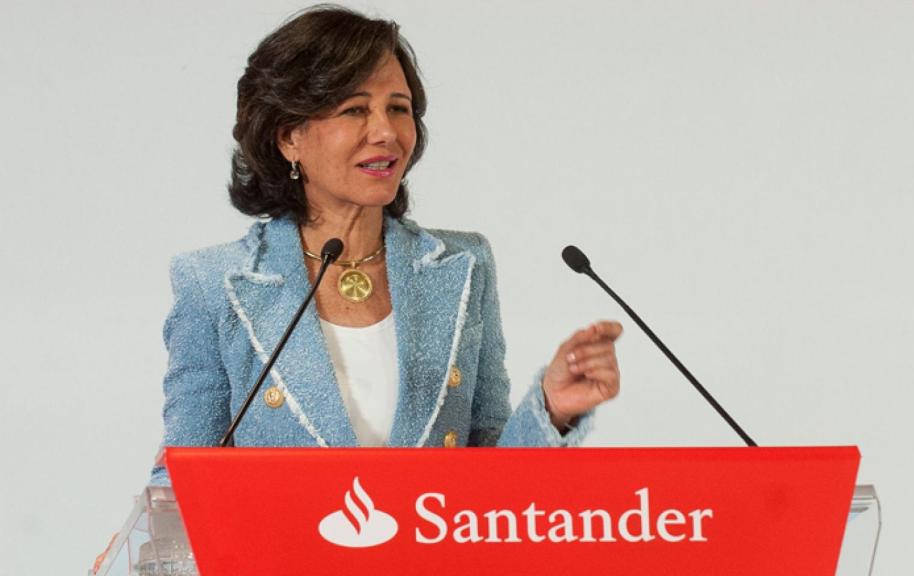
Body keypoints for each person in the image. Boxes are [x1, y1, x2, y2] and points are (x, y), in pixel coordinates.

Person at [151, 5, 622, 484]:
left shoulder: (463, 264)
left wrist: (553, 406)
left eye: (398, 108)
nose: (386, 133)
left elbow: (491, 476)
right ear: (290, 136)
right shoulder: (213, 284)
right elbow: (181, 476)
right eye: (355, 109)